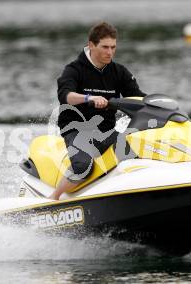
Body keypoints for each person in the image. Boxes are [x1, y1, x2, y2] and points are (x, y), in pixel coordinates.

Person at [51, 22, 146, 200]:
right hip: (76, 130)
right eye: (105, 47)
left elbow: (138, 98)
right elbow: (66, 96)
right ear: (91, 45)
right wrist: (89, 98)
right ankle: (53, 198)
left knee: (138, 155)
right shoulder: (73, 70)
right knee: (83, 166)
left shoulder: (119, 72)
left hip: (106, 132)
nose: (109, 52)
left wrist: (159, 103)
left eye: (113, 47)